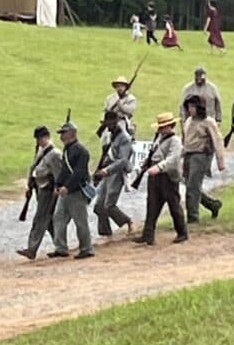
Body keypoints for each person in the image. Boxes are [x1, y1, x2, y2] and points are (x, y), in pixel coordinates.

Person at [133, 113, 188, 246]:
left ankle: (182, 232)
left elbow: (173, 158)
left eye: (163, 127)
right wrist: (148, 163)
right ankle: (148, 235)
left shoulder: (175, 141)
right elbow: (154, 153)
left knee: (174, 205)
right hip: (155, 175)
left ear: (171, 126)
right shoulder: (159, 138)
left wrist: (159, 167)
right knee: (152, 205)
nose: (161, 130)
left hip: (167, 176)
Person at [49, 121, 95, 260]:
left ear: (71, 133)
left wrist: (67, 187)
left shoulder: (81, 151)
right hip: (66, 191)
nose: (61, 136)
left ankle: (86, 248)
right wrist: (58, 185)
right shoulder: (68, 149)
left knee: (80, 221)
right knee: (58, 217)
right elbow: (65, 170)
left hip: (76, 191)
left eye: (63, 133)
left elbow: (79, 173)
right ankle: (61, 248)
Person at [17, 125, 63, 260]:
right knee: (48, 221)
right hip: (40, 187)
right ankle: (61, 244)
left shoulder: (54, 154)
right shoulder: (42, 151)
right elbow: (34, 167)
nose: (38, 141)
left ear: (46, 137)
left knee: (40, 218)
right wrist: (30, 185)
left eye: (40, 138)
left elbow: (58, 175)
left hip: (48, 189)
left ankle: (32, 248)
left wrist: (56, 189)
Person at [182, 95, 224, 223]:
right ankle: (212, 204)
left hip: (201, 155)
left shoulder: (208, 122)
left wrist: (220, 160)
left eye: (193, 106)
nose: (190, 109)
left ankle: (192, 217)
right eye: (189, 107)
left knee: (193, 187)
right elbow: (185, 140)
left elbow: (217, 140)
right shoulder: (188, 121)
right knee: (189, 185)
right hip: (188, 154)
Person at [93, 112, 133, 237]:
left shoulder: (124, 138)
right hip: (108, 171)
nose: (107, 127)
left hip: (117, 173)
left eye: (108, 124)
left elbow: (123, 160)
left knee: (109, 205)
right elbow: (105, 155)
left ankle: (127, 221)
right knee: (99, 206)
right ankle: (105, 233)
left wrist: (108, 170)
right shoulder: (111, 136)